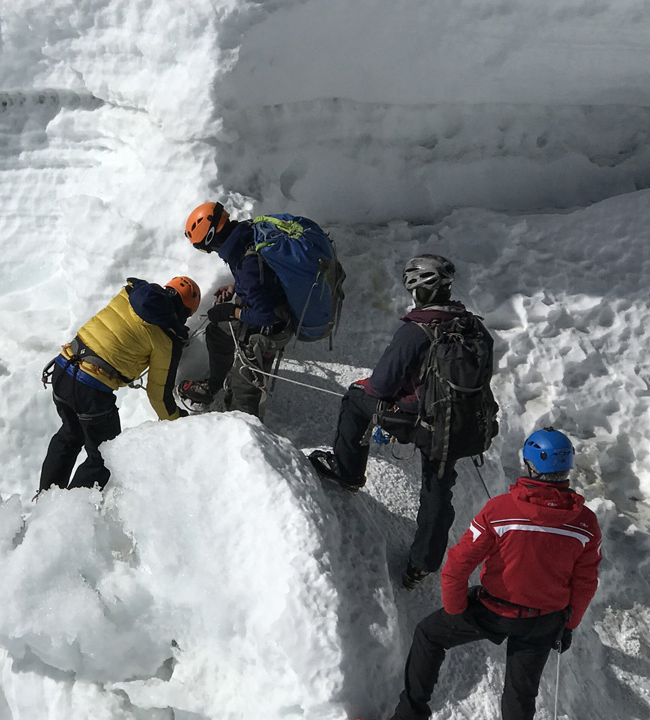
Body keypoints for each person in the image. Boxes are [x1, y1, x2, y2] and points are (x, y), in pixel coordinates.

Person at [386, 428, 601, 720]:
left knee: (429, 634)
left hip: (493, 611)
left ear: (530, 466)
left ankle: (409, 715)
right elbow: (585, 583)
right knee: (520, 695)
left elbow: (458, 564)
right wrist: (569, 625)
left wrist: (455, 609)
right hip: (544, 621)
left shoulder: (499, 510)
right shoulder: (586, 524)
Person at [309, 254, 494, 588]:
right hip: (462, 423)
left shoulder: (417, 330)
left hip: (419, 419)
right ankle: (420, 566)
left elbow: (380, 385)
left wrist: (368, 388)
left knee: (355, 400)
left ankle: (347, 471)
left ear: (417, 290)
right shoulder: (473, 326)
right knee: (438, 488)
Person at [37, 276, 200, 493]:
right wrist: (178, 421)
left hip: (63, 367)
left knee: (70, 435)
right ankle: (63, 518)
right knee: (106, 457)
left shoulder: (130, 294)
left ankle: (44, 499)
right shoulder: (166, 339)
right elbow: (158, 396)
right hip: (90, 389)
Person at [178, 201, 293, 418]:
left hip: (274, 323)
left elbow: (264, 316)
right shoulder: (245, 234)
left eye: (205, 246)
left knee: (244, 388)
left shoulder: (244, 260)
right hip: (273, 301)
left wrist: (232, 312)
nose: (209, 251)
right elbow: (258, 276)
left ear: (212, 237)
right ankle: (216, 382)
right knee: (217, 332)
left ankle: (244, 429)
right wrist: (234, 287)